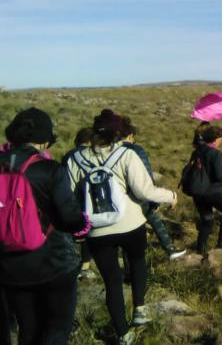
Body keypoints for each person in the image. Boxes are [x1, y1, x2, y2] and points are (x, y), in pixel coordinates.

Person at [66, 109, 177, 345]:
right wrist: (171, 195)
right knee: (137, 265)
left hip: (96, 230)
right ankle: (139, 310)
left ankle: (122, 332)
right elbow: (144, 191)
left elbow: (69, 197)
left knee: (112, 281)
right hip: (131, 224)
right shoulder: (126, 155)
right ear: (118, 132)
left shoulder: (75, 159)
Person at [0, 108, 90, 345]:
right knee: (56, 329)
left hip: (9, 266)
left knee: (27, 330)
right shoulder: (49, 170)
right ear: (44, 140)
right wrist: (83, 227)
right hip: (53, 264)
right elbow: (70, 218)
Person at [120, 118, 186, 260]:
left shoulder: (110, 151)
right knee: (152, 217)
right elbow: (147, 176)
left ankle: (128, 271)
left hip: (118, 199)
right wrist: (155, 200)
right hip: (138, 196)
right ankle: (170, 249)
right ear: (131, 135)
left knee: (127, 233)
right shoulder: (136, 150)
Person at [187, 125, 222, 255]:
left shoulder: (197, 151)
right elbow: (219, 177)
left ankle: (200, 250)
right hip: (212, 192)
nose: (221, 141)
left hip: (197, 192)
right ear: (216, 139)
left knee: (207, 220)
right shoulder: (216, 154)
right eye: (221, 138)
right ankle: (221, 246)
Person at [61, 127, 95, 276]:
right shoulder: (94, 154)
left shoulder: (69, 156)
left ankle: (73, 262)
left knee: (74, 231)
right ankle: (86, 263)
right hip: (92, 197)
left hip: (73, 197)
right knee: (89, 229)